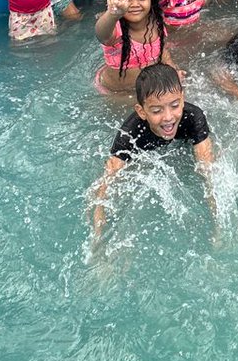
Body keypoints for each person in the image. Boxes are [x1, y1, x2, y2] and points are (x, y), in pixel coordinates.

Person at [91, 63, 214, 242]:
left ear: (182, 97)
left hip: (183, 145)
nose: (168, 117)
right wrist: (98, 239)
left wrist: (217, 225)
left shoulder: (193, 117)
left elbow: (209, 171)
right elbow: (104, 189)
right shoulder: (131, 133)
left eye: (175, 105)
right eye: (156, 110)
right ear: (142, 111)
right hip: (144, 153)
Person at [93, 0, 172, 95]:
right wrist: (113, 14)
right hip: (115, 93)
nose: (135, 4)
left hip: (146, 90)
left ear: (152, 0)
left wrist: (174, 71)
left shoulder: (156, 23)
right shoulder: (115, 27)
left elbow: (163, 53)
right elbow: (101, 35)